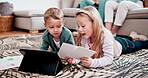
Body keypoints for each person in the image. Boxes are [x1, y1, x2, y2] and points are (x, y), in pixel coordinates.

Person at [62, 6, 148, 68]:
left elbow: (108, 59)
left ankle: (134, 38)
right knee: (120, 39)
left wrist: (92, 63)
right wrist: (75, 60)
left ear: (94, 23)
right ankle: (132, 36)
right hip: (112, 41)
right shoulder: (84, 35)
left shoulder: (105, 35)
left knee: (138, 44)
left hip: (121, 45)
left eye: (83, 26)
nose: (79, 30)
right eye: (78, 26)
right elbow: (84, 55)